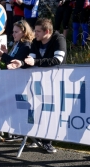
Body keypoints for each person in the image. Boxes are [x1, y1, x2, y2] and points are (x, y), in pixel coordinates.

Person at [8, 18, 66, 153]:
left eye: (38, 31)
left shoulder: (59, 39)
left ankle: (47, 142)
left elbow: (57, 60)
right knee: (35, 110)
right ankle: (37, 137)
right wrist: (21, 63)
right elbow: (30, 61)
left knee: (50, 112)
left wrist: (35, 61)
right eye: (35, 30)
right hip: (38, 82)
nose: (35, 33)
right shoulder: (35, 42)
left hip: (56, 81)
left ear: (47, 32)